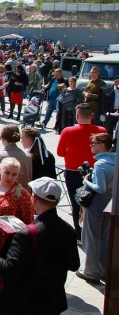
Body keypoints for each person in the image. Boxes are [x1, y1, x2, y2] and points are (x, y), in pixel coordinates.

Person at [0, 177, 80, 315]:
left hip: (23, 304)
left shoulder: (27, 234)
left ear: (33, 199)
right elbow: (74, 264)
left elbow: (8, 269)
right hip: (52, 302)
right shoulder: (68, 230)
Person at [0, 157, 34, 314]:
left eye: (15, 174)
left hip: (7, 251)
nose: (10, 177)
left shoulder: (22, 195)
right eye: (7, 173)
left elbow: (28, 223)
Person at [56, 103, 107, 241]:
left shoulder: (67, 131)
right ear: (92, 116)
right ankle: (93, 232)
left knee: (76, 203)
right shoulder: (102, 130)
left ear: (77, 116)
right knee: (95, 202)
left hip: (73, 171)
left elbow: (60, 152)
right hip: (96, 172)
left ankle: (79, 234)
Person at [77, 133, 115, 284]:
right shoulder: (114, 160)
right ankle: (105, 270)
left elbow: (100, 188)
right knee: (104, 238)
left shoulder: (100, 164)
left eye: (93, 143)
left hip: (97, 204)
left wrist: (86, 181)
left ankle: (91, 272)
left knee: (91, 238)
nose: (91, 146)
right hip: (110, 203)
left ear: (101, 145)